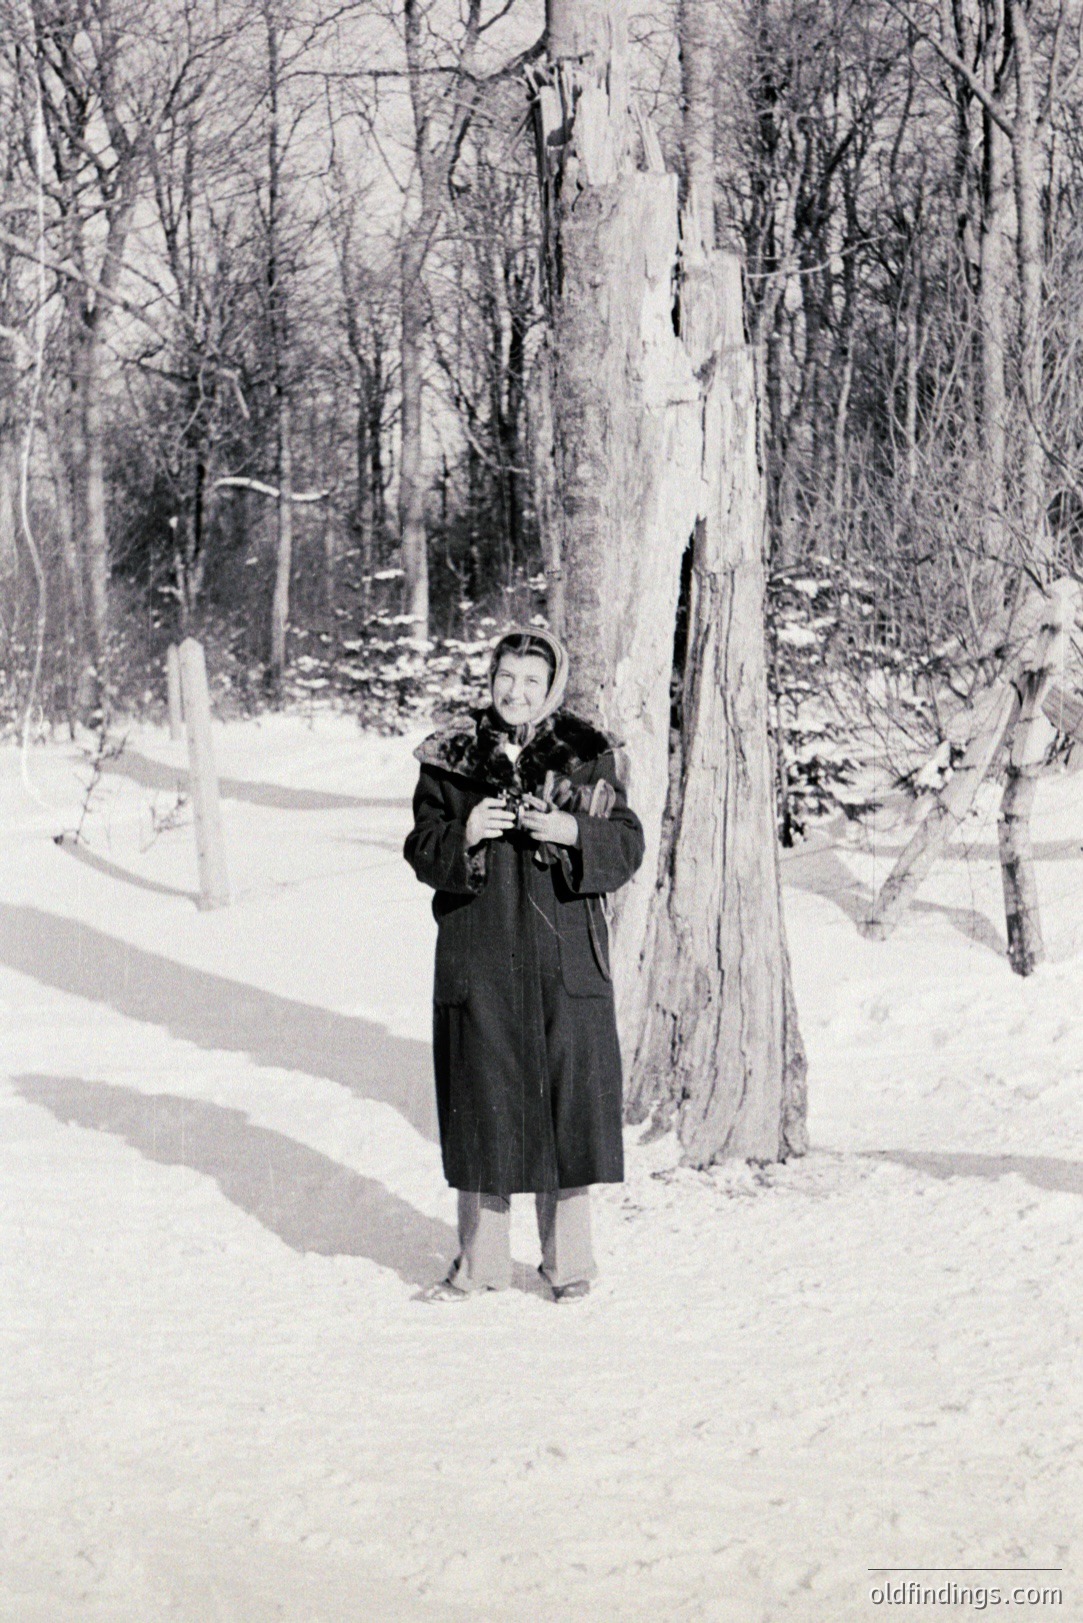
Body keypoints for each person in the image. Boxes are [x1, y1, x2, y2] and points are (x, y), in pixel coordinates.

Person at [403, 626, 645, 1301]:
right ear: (491, 679)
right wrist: (465, 834)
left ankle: (568, 1267)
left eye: (531, 682)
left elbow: (627, 844)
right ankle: (478, 1266)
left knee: (569, 1113)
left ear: (551, 688)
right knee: (482, 1111)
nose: (516, 692)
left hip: (563, 961)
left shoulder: (584, 754)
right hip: (479, 959)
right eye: (506, 678)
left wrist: (572, 831)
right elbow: (419, 846)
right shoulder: (450, 758)